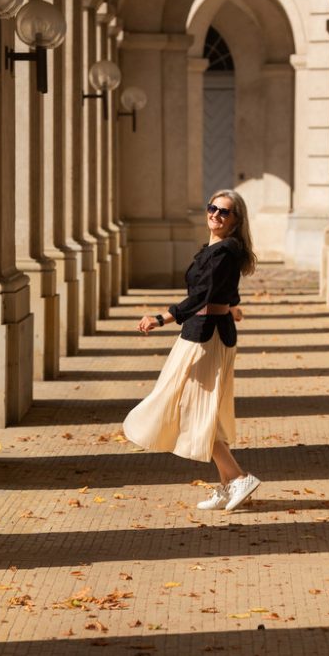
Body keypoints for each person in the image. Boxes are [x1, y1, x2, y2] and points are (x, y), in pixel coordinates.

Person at [122, 190, 260, 511]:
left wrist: (161, 318)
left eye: (224, 212)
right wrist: (232, 306)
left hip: (206, 338)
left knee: (192, 410)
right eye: (212, 208)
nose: (215, 215)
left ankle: (239, 478)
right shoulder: (217, 249)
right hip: (203, 333)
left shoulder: (225, 251)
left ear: (236, 220)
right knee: (200, 410)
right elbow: (221, 290)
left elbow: (201, 295)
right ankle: (228, 484)